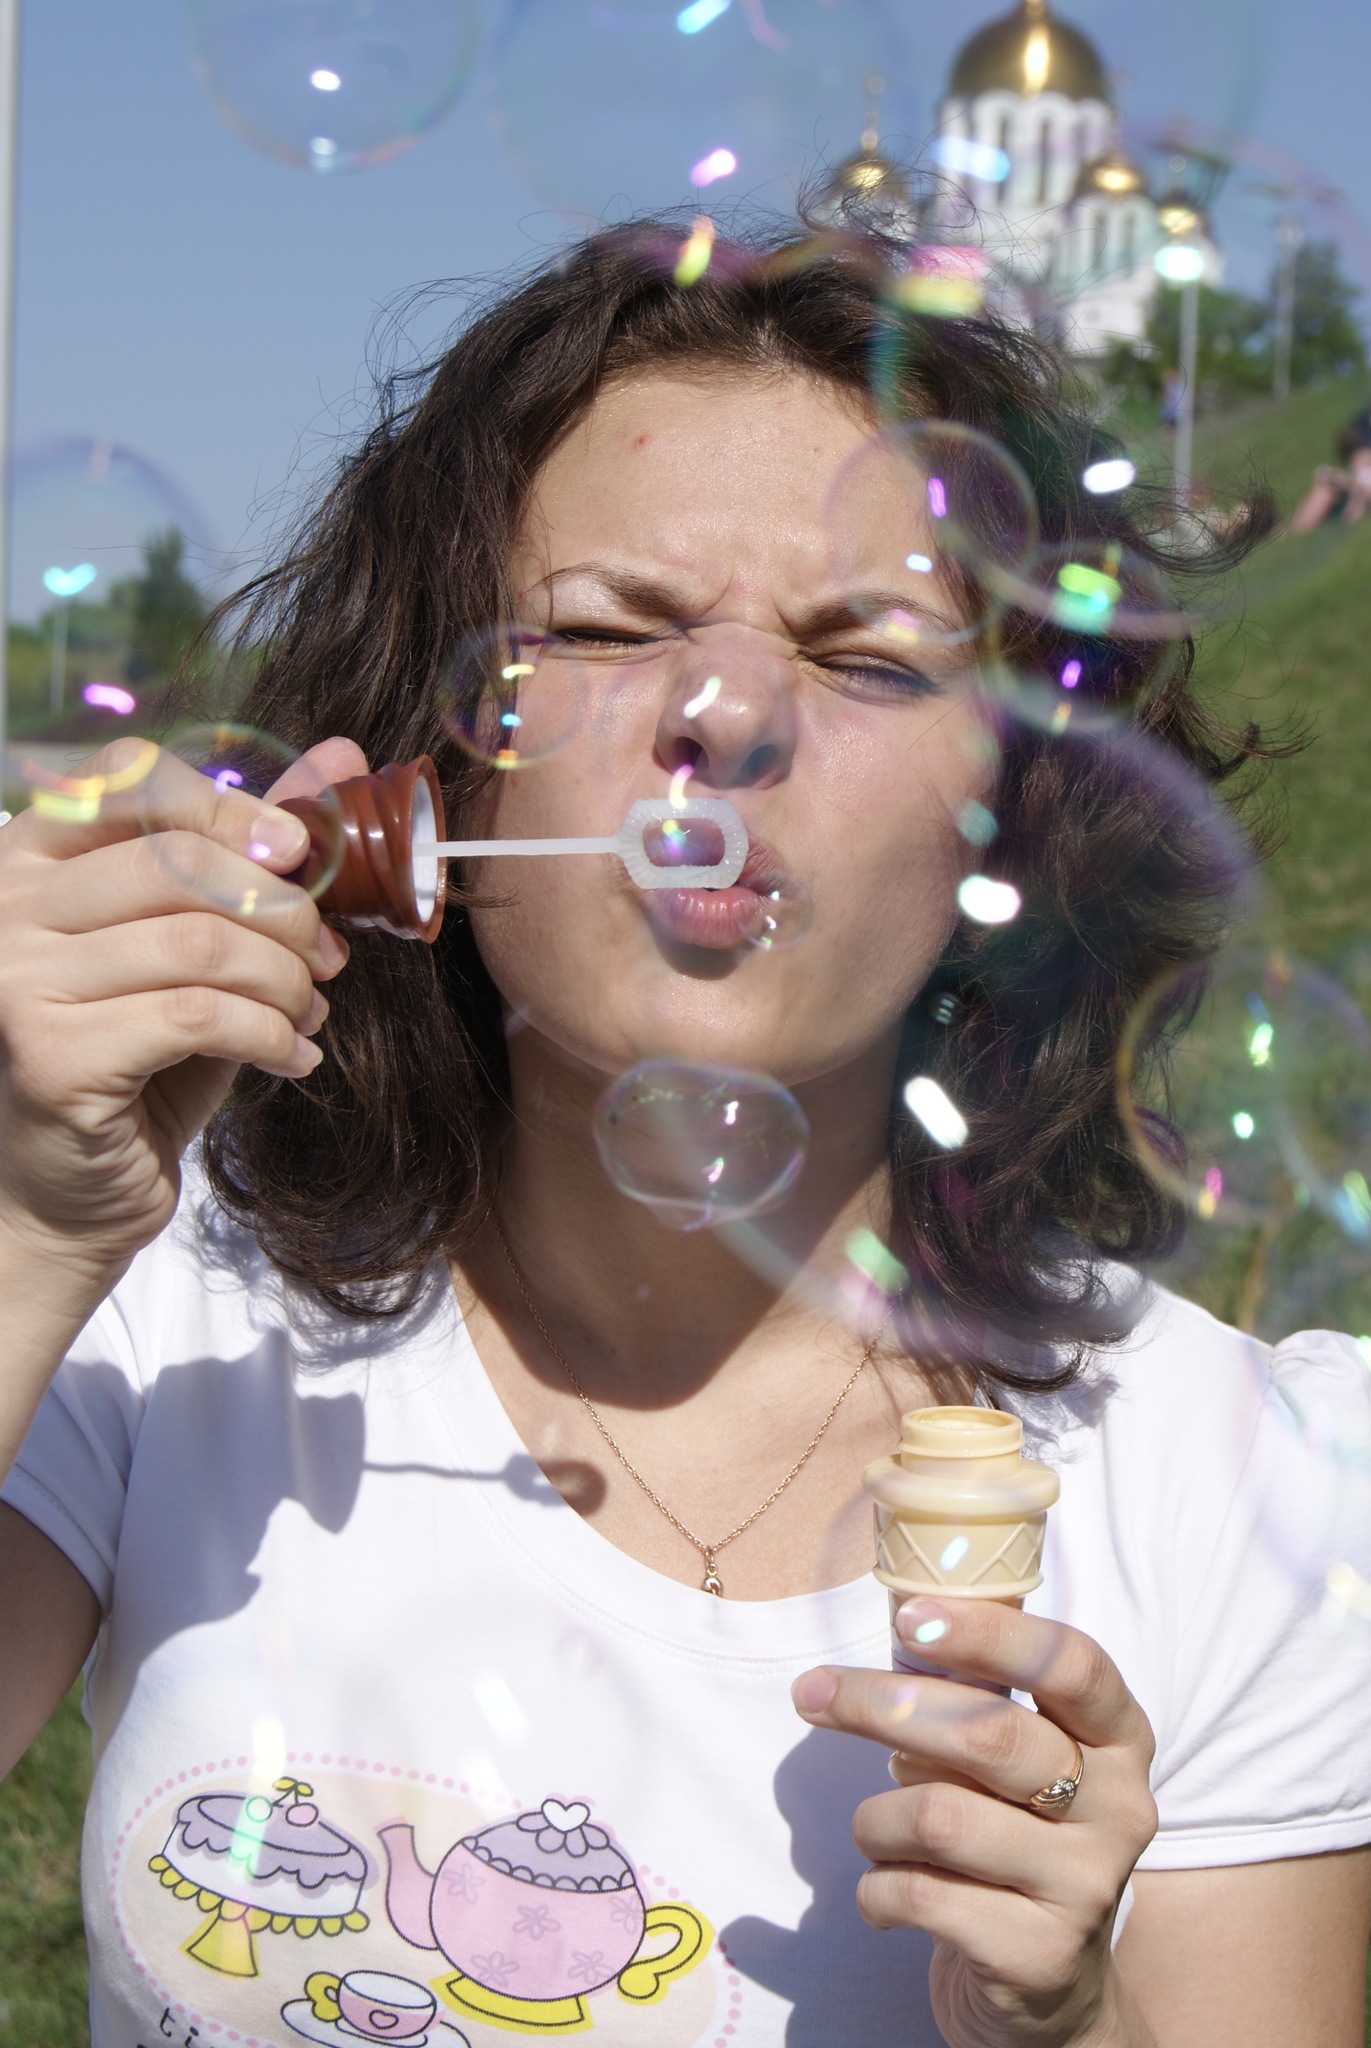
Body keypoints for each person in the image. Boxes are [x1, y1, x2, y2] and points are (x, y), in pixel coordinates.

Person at [1, 217, 1368, 2048]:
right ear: (440, 761)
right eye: (605, 628)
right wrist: (26, 1232)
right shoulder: (160, 1305)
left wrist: (1064, 2022)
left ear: (1009, 813)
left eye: (867, 655)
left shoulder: (1228, 1483)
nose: (722, 719)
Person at [1288, 400, 1371, 532]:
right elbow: (1357, 456)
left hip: (1360, 483)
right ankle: (1290, 531)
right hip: (1356, 479)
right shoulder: (1363, 423)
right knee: (1325, 488)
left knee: (1354, 489)